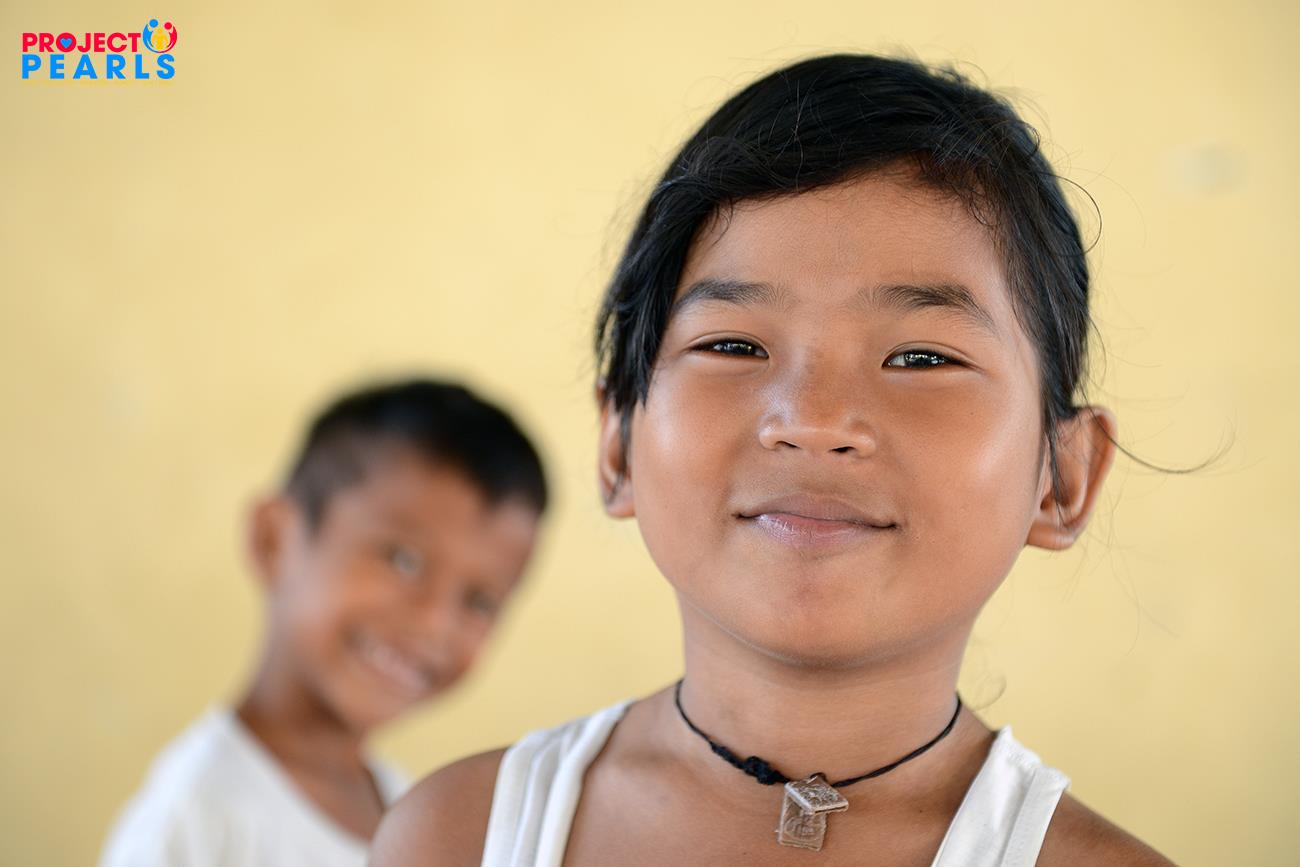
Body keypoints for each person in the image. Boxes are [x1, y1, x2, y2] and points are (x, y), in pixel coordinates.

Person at [371, 54, 1174, 865]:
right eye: (733, 345)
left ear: (1064, 477)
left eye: (923, 358)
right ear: (618, 444)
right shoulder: (457, 836)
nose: (812, 421)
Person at [100, 378, 547, 867]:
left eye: (480, 602)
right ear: (274, 539)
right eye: (402, 560)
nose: (435, 623)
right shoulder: (194, 821)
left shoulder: (408, 809)